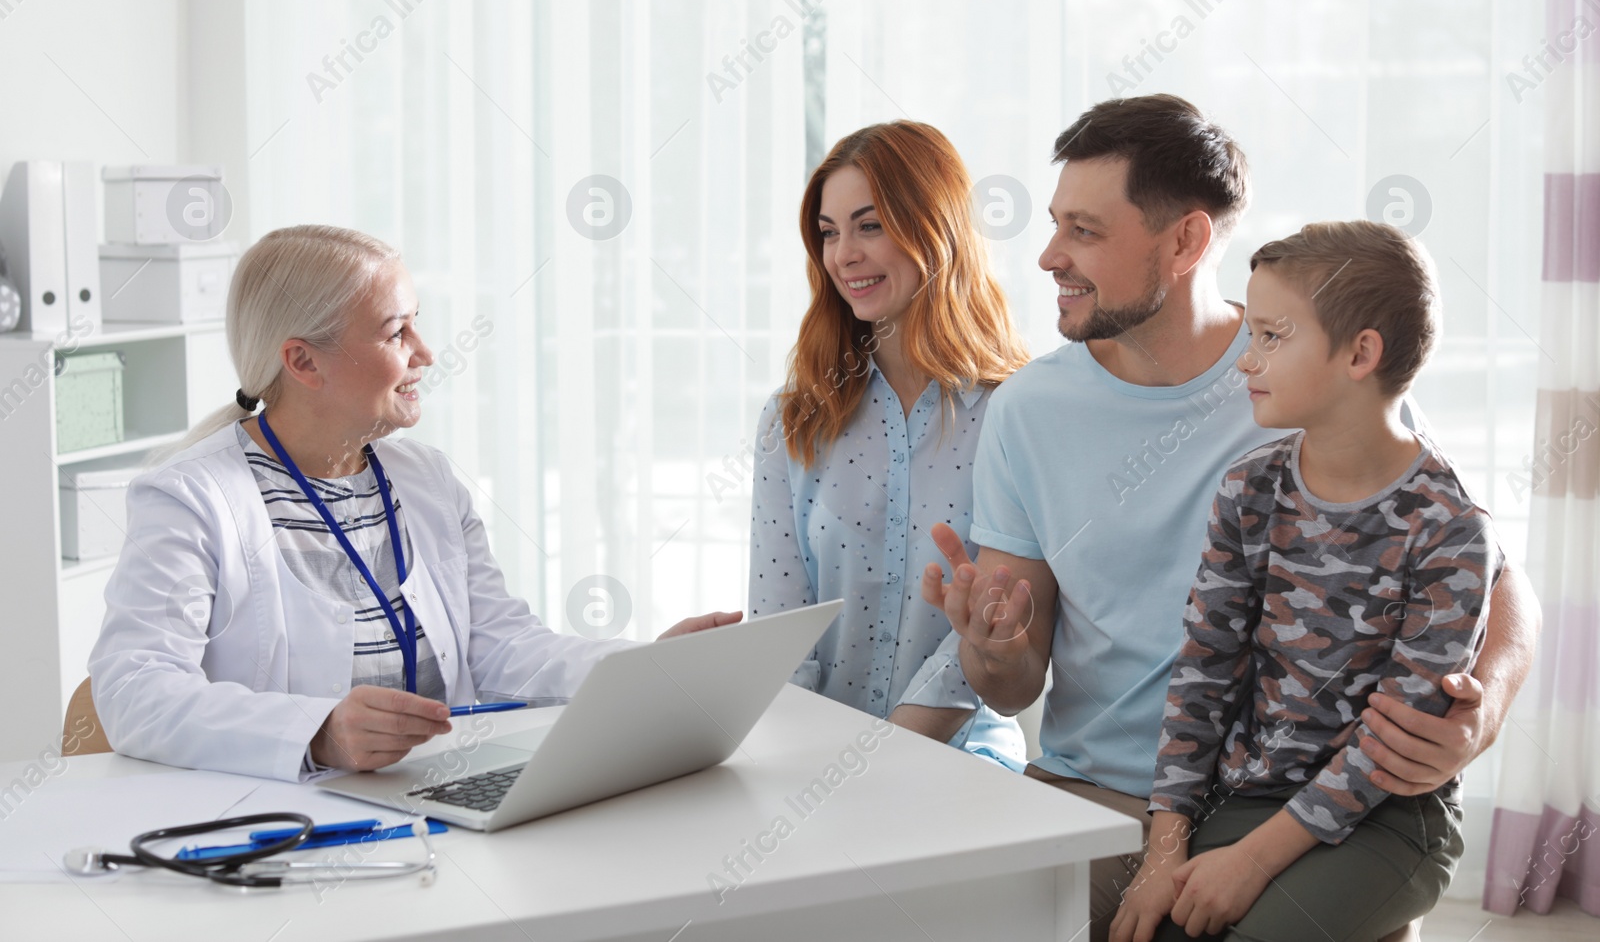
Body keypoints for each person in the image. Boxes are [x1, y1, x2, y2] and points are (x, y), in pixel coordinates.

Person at [915, 95, 1540, 940]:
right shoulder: (1029, 411)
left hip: (1287, 797)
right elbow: (1018, 679)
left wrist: (1481, 708)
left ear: (1186, 241)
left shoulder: (1313, 381)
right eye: (1056, 224)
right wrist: (991, 651)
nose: (1049, 255)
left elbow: (1494, 579)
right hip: (1093, 788)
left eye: (1085, 231)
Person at [89, 225, 739, 781]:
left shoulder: (425, 479)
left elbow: (502, 647)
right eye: (397, 331)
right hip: (284, 823)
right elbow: (134, 691)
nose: (426, 354)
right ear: (303, 361)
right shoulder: (191, 497)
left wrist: (647, 667)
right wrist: (317, 732)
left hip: (434, 797)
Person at [1112, 220, 1498, 941]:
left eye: (1271, 336)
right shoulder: (1248, 489)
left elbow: (1394, 739)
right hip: (1252, 788)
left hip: (1390, 817)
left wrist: (1251, 863)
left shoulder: (1450, 529)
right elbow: (1205, 673)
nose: (1245, 361)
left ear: (1360, 353)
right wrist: (1164, 848)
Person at [748, 120, 1032, 769]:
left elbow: (980, 638)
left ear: (935, 229)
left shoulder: (1015, 413)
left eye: (869, 225)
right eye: (828, 232)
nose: (843, 253)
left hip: (965, 765)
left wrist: (871, 769)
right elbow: (777, 632)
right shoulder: (791, 421)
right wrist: (803, 775)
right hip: (809, 764)